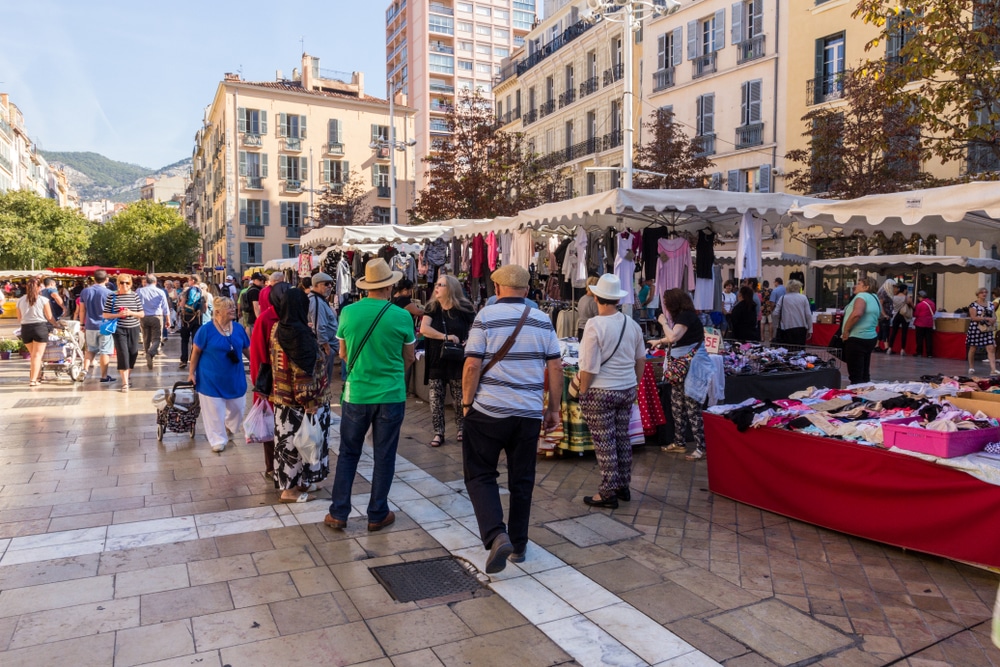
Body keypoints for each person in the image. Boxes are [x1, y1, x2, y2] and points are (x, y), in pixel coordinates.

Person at [462, 264, 562, 572]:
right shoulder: (543, 320)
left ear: (497, 289)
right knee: (522, 480)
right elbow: (555, 368)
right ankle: (518, 543)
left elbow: (471, 367)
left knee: (480, 474)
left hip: (489, 411)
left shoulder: (485, 317)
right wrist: (553, 408)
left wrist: (467, 404)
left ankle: (496, 534)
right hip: (528, 413)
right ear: (527, 290)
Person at [326, 258, 416, 532]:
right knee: (384, 455)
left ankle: (339, 512)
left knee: (348, 454)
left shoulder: (348, 313)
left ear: (366, 287)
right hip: (390, 394)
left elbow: (342, 353)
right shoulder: (402, 316)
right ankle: (377, 513)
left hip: (356, 394)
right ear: (389, 287)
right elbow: (410, 357)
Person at [576, 274, 645, 509]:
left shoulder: (594, 325)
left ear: (596, 297)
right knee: (622, 438)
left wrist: (583, 392)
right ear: (617, 299)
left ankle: (607, 492)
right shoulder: (632, 324)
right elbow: (641, 359)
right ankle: (622, 485)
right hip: (626, 389)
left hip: (600, 391)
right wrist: (634, 383)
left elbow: (588, 365)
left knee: (605, 443)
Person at [269, 288, 330, 502]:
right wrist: (309, 402)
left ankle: (297, 484)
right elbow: (304, 371)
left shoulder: (277, 328)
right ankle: (291, 491)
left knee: (289, 445)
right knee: (301, 444)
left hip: (283, 400)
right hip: (302, 404)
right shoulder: (299, 333)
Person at [654, 289, 712, 461]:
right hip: (683, 366)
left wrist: (663, 322)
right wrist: (659, 341)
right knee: (677, 404)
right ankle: (679, 442)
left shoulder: (686, 316)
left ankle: (701, 447)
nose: (665, 306)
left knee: (692, 405)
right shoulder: (684, 317)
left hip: (692, 367)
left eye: (666, 302)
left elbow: (673, 337)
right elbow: (677, 338)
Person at [188, 296, 250, 452]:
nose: (233, 309)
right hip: (210, 378)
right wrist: (191, 373)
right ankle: (217, 439)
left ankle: (229, 427)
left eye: (233, 307)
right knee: (214, 411)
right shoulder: (205, 330)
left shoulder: (238, 328)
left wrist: (259, 366)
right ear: (217, 312)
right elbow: (195, 353)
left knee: (238, 407)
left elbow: (247, 351)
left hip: (235, 378)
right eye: (228, 307)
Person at [421, 273, 476, 448]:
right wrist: (445, 337)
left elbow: (476, 328)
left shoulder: (464, 308)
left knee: (459, 395)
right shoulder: (432, 307)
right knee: (436, 397)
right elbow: (424, 329)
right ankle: (439, 432)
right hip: (437, 358)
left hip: (458, 358)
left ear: (451, 288)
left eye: (441, 285)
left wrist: (469, 340)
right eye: (437, 284)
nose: (436, 288)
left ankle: (462, 428)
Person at [249, 282, 288, 481]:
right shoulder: (265, 319)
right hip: (271, 384)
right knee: (270, 427)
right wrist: (261, 388)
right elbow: (257, 355)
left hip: (289, 386)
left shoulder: (290, 315)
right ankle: (271, 467)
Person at [16, 277, 62, 386]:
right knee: (37, 356)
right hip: (40, 328)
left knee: (33, 355)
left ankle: (38, 376)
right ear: (39, 287)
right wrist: (57, 325)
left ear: (27, 287)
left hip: (25, 329)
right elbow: (50, 317)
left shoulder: (20, 300)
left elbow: (19, 318)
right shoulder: (43, 300)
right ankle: (33, 380)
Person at [102, 275, 143, 391]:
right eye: (121, 283)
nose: (124, 285)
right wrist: (118, 315)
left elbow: (142, 314)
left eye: (127, 283)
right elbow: (105, 314)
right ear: (117, 283)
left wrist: (131, 313)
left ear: (130, 284)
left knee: (133, 353)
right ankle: (125, 383)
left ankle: (127, 374)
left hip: (133, 328)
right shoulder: (112, 296)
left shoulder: (135, 296)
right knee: (123, 354)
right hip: (119, 329)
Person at [841, 277, 881, 384]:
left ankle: (857, 396)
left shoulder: (861, 296)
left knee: (856, 374)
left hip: (857, 337)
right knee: (864, 372)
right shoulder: (875, 297)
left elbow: (857, 314)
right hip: (870, 337)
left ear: (866, 287)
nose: (855, 286)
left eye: (859, 284)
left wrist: (846, 330)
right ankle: (865, 395)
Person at [78, 269, 115, 383]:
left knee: (90, 350)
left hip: (90, 325)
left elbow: (82, 310)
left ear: (94, 279)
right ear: (107, 280)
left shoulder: (85, 291)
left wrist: (82, 323)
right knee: (105, 351)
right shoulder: (110, 293)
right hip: (105, 325)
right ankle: (104, 376)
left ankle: (84, 369)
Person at [308, 272, 339, 382]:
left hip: (328, 346)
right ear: (316, 285)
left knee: (324, 381)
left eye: (331, 284)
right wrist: (326, 347)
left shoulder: (320, 300)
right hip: (324, 348)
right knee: (323, 382)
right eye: (326, 284)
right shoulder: (316, 301)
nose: (329, 286)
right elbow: (319, 326)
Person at [137, 274, 171, 370]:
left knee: (145, 337)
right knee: (157, 338)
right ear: (155, 282)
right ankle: (151, 353)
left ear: (146, 282)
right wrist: (168, 319)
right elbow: (165, 307)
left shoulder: (139, 291)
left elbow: (137, 303)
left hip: (143, 316)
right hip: (156, 316)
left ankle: (147, 353)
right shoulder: (160, 291)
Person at [772, 279, 813, 347]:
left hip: (786, 328)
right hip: (801, 329)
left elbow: (775, 313)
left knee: (787, 351)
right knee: (800, 352)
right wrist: (810, 329)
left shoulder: (783, 298)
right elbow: (808, 315)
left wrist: (781, 320)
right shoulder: (803, 298)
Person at [967, 286, 997, 375]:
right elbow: (973, 317)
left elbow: (994, 315)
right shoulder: (973, 305)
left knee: (991, 348)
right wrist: (987, 318)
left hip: (987, 329)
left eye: (985, 292)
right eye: (982, 292)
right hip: (976, 328)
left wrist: (993, 319)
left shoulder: (990, 304)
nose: (984, 294)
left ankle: (993, 369)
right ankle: (971, 367)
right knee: (973, 348)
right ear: (978, 294)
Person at [178, 275, 206, 369]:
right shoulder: (203, 292)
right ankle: (194, 359)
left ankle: (184, 360)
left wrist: (181, 306)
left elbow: (182, 304)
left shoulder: (186, 290)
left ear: (193, 281)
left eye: (189, 280)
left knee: (185, 340)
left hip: (186, 318)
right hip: (197, 318)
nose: (188, 282)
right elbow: (205, 309)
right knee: (196, 340)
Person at [886, 283, 913, 355]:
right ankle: (902, 349)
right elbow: (912, 306)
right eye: (906, 289)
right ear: (904, 290)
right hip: (904, 315)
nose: (907, 290)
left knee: (894, 332)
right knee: (904, 333)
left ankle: (890, 348)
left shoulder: (894, 297)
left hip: (896, 316)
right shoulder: (907, 297)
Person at [914, 290, 936, 358]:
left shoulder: (920, 305)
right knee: (929, 339)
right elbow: (934, 312)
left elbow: (916, 314)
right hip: (929, 323)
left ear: (921, 297)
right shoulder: (932, 303)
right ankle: (929, 353)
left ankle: (919, 353)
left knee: (919, 339)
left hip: (920, 323)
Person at [875, 278, 896, 352]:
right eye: (893, 286)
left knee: (881, 330)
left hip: (885, 314)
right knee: (885, 330)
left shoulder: (885, 292)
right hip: (884, 315)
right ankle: (886, 347)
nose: (894, 287)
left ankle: (877, 345)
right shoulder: (883, 292)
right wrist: (884, 314)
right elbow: (880, 304)